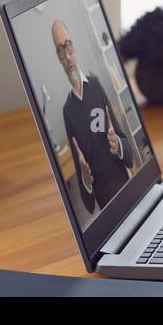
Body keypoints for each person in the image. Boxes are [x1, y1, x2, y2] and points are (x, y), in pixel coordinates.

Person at [53, 20, 133, 216]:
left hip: (123, 184)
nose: (67, 54)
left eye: (68, 45)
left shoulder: (95, 84)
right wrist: (86, 181)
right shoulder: (67, 111)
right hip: (104, 199)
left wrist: (118, 146)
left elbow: (129, 157)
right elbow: (88, 205)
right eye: (61, 49)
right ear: (58, 57)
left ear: (74, 47)